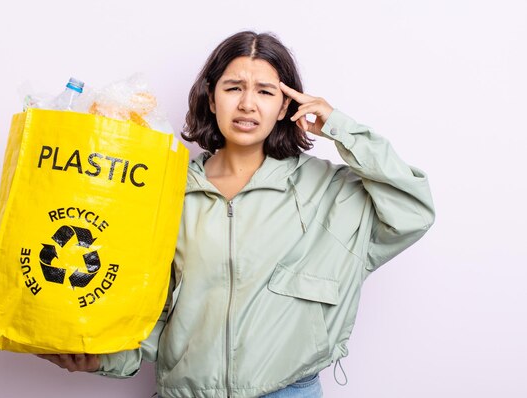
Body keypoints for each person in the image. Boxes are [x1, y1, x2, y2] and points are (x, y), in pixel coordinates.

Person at [37, 31, 435, 398]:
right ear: (212, 100)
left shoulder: (328, 192)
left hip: (287, 391)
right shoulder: (167, 189)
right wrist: (103, 359)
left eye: (265, 91)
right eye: (233, 88)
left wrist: (339, 127)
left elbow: (412, 210)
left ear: (285, 106)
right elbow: (152, 314)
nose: (247, 103)